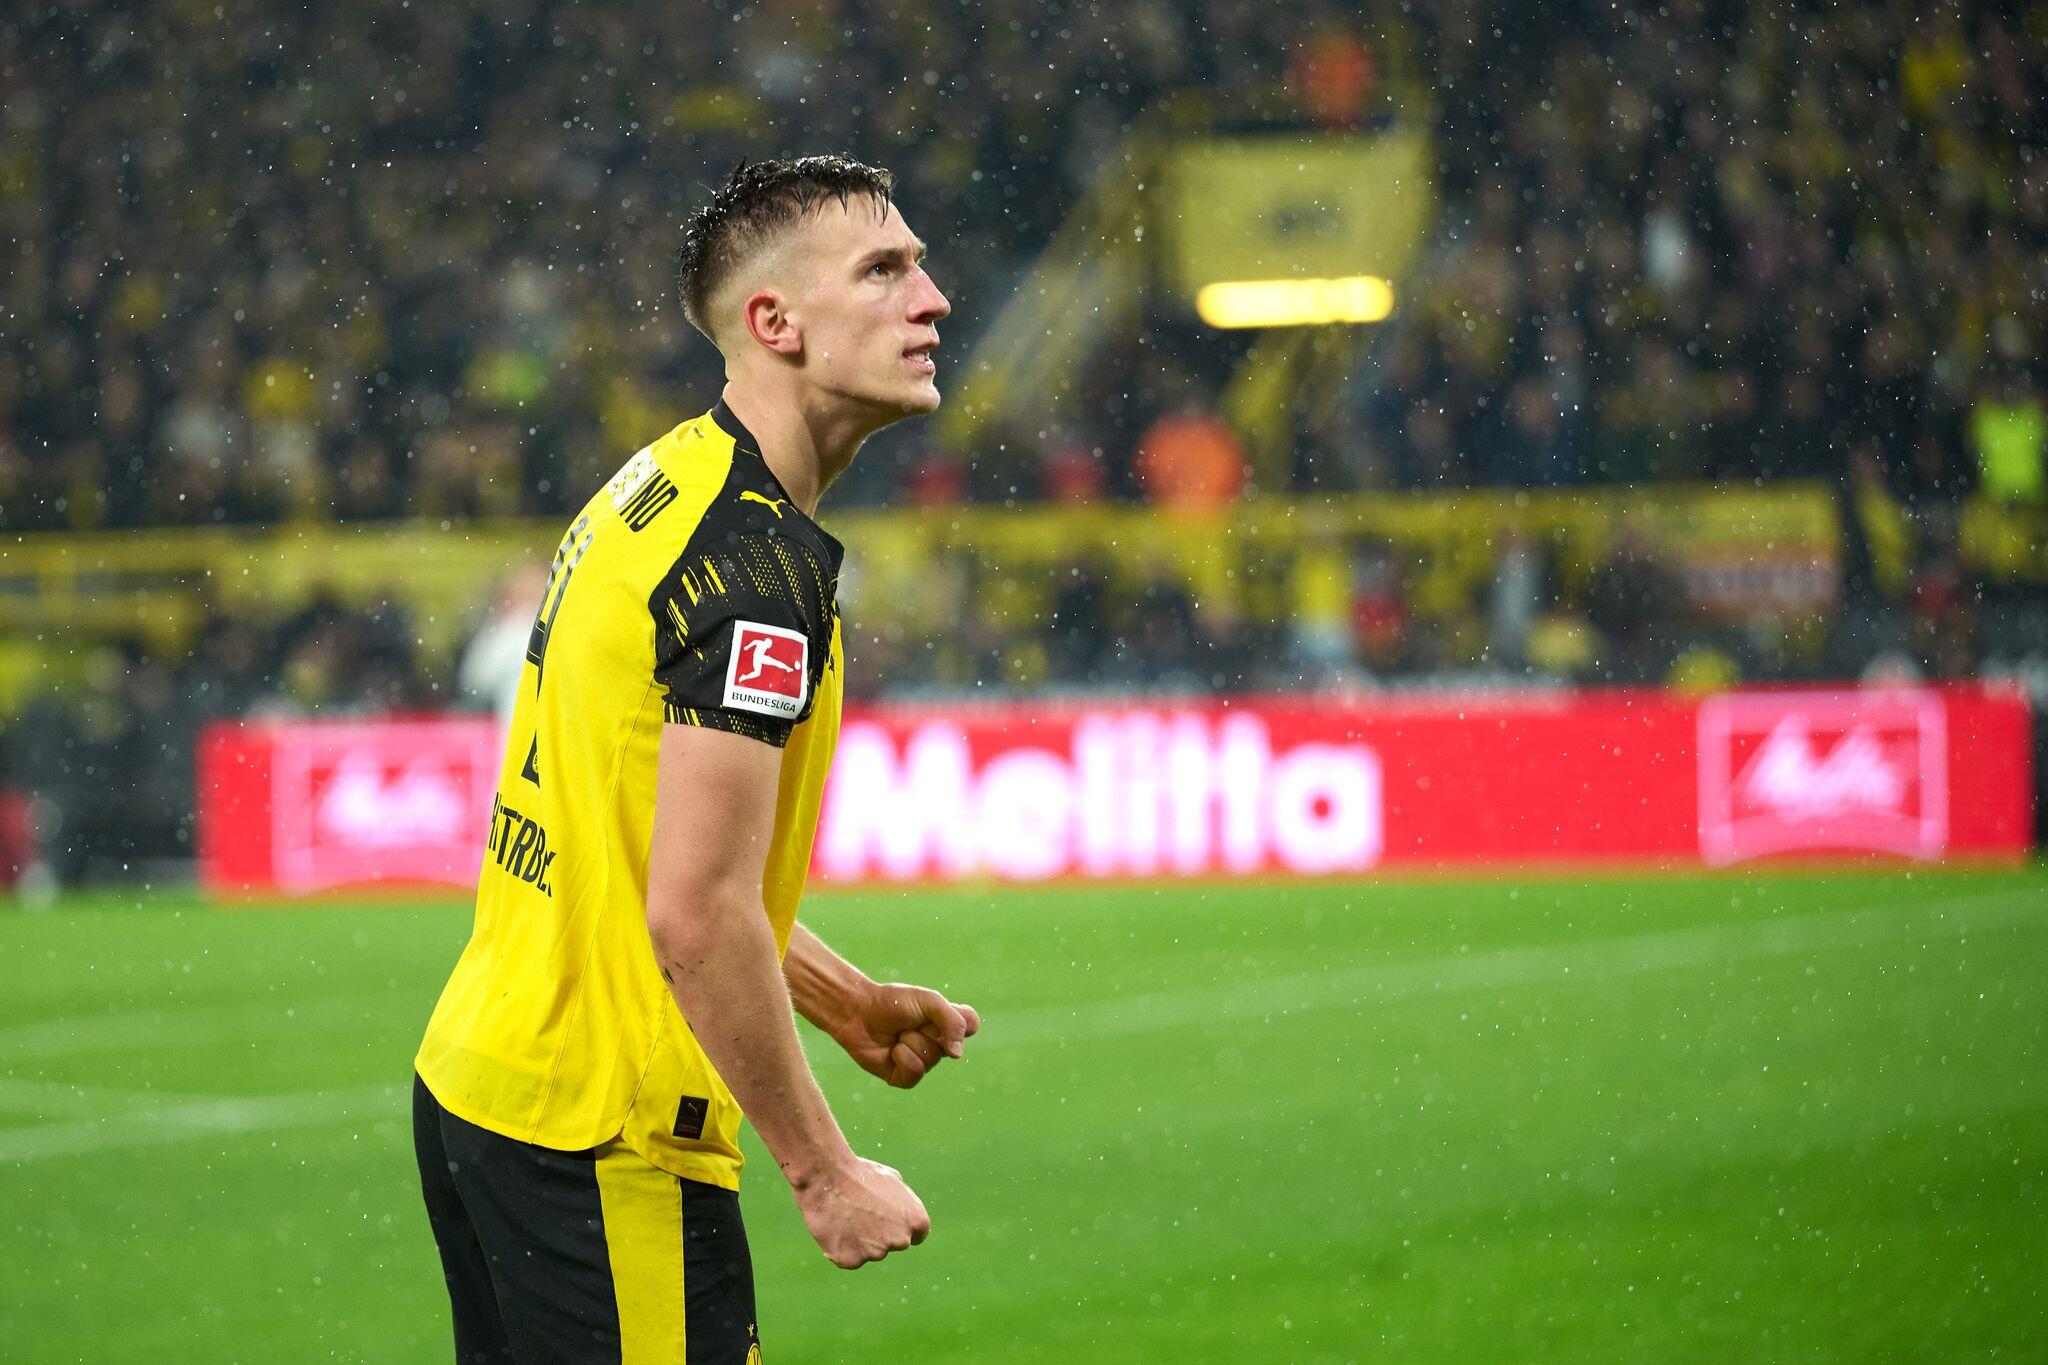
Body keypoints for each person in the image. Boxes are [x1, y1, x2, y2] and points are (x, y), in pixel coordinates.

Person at [412, 155, 977, 1364]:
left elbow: (633, 843)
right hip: (603, 1132)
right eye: (883, 271)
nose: (931, 301)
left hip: (488, 1086)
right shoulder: (755, 569)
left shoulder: (660, 484)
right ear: (775, 322)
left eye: (920, 268)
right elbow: (695, 912)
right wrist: (823, 1172)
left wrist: (841, 1002)